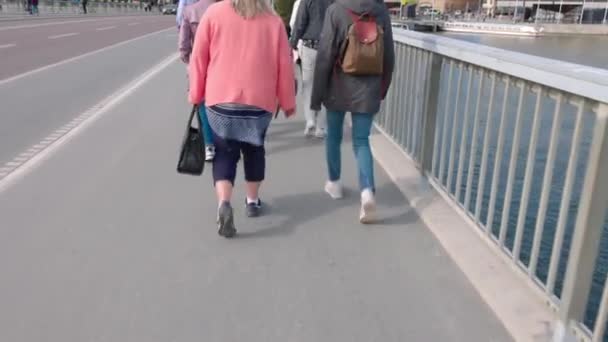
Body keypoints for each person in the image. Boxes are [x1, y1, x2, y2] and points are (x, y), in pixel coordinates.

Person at [189, 0, 296, 238]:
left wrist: (196, 93)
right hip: (259, 103)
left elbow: (198, 58)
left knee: (224, 152)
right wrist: (287, 101)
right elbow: (284, 65)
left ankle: (224, 203)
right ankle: (252, 201)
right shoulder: (273, 20)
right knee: (254, 149)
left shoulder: (213, 14)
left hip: (220, 102)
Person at [311, 0, 394, 223]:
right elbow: (389, 56)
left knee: (334, 136)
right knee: (361, 141)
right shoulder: (381, 11)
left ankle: (335, 184)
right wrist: (382, 89)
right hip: (369, 88)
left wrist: (316, 96)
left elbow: (325, 56)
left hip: (338, 85)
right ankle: (367, 192)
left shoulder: (335, 10)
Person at [289, 0, 333, 138]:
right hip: (328, 47)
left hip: (310, 46)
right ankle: (321, 126)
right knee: (325, 87)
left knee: (308, 84)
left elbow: (300, 23)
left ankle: (310, 120)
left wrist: (293, 43)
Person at [179, 0, 216, 161]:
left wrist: (189, 60)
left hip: (199, 62)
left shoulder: (189, 11)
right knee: (222, 101)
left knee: (201, 101)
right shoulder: (225, 9)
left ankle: (209, 145)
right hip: (221, 62)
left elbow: (183, 44)